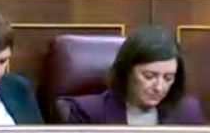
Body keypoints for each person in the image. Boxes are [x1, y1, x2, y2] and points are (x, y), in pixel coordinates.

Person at [65, 27, 207, 125]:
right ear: (126, 71)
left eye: (168, 78)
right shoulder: (88, 113)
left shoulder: (189, 112)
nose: (159, 87)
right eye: (149, 76)